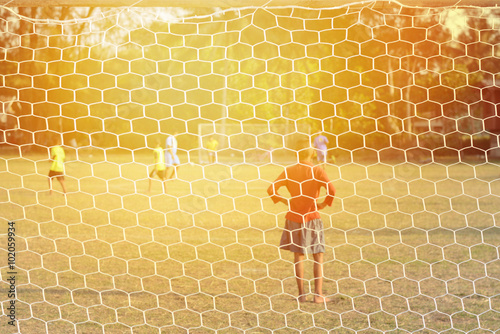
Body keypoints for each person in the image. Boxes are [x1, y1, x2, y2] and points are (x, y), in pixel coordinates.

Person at [267, 144, 336, 303]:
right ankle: (318, 295)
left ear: (295, 153)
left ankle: (301, 295)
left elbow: (271, 189)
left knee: (298, 256)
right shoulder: (317, 170)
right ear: (312, 153)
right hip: (312, 217)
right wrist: (324, 204)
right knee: (318, 256)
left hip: (294, 218)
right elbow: (332, 190)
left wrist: (285, 201)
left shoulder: (289, 170)